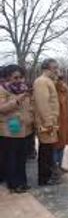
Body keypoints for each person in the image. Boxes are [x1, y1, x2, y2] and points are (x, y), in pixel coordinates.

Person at [0, 65, 34, 193]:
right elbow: (2, 108)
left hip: (25, 129)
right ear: (8, 77)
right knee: (11, 158)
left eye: (20, 77)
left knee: (22, 158)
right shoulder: (2, 90)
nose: (19, 80)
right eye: (15, 77)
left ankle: (22, 182)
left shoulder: (24, 89)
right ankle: (13, 184)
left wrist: (31, 118)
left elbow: (29, 107)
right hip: (10, 130)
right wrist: (17, 101)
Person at [33, 58, 61, 186]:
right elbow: (42, 103)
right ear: (47, 68)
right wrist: (48, 122)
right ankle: (44, 178)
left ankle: (47, 176)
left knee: (49, 150)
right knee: (45, 151)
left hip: (50, 122)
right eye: (54, 68)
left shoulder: (48, 81)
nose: (56, 70)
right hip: (46, 123)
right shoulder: (41, 82)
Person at [53, 75, 68, 173]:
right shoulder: (53, 92)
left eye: (62, 80)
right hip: (56, 121)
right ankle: (54, 166)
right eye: (58, 80)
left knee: (62, 144)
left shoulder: (65, 91)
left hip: (65, 121)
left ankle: (59, 165)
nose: (61, 82)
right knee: (55, 145)